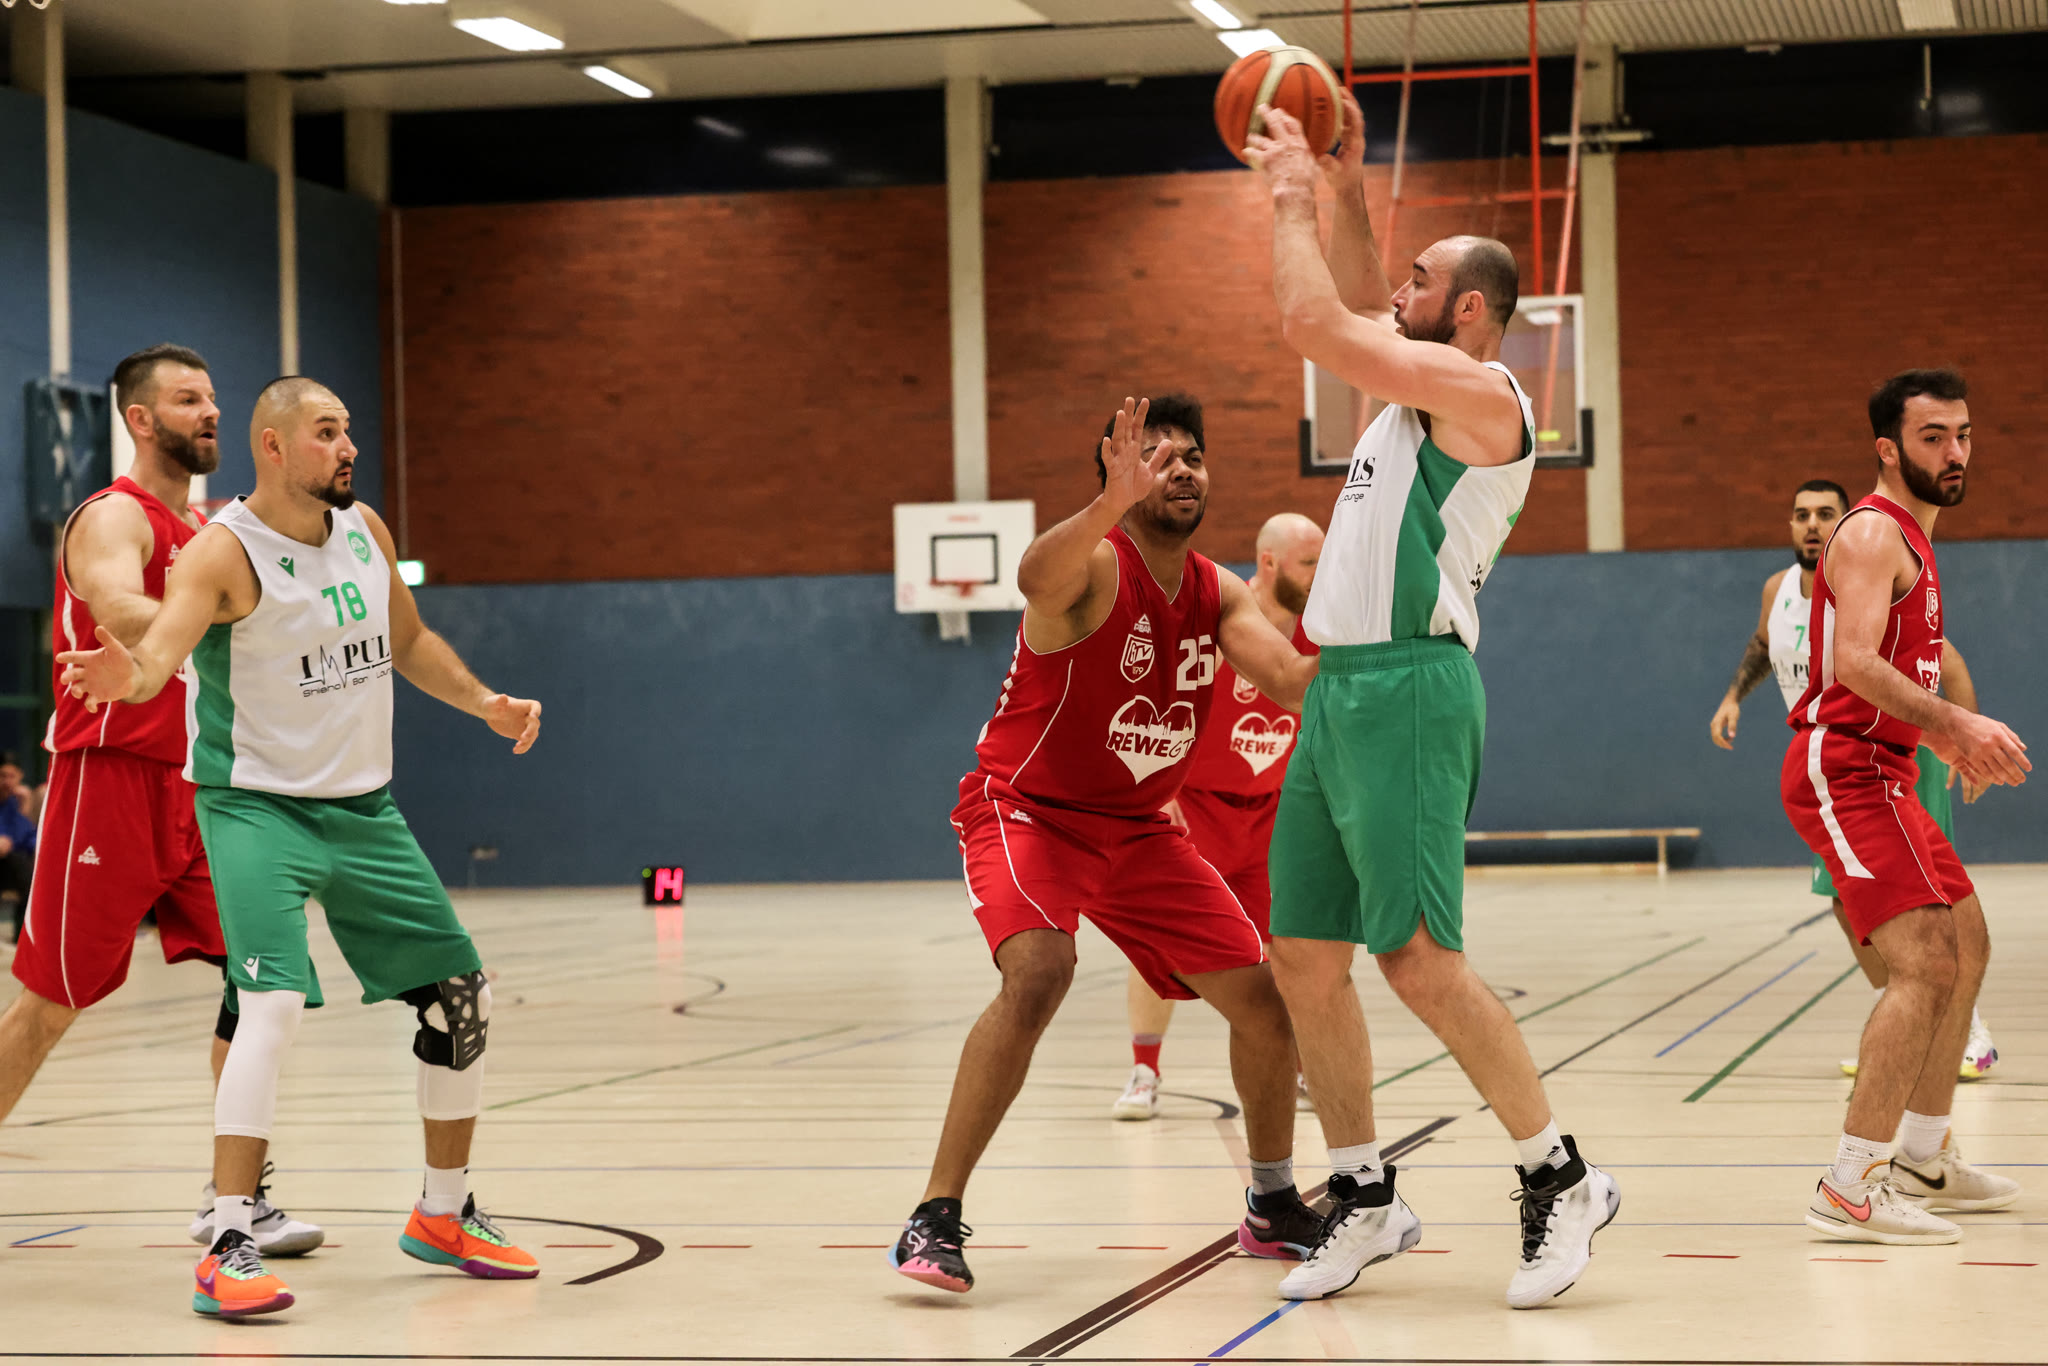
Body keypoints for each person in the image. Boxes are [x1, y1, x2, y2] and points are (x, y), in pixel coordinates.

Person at [59, 375, 545, 1317]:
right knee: (271, 1005)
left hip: (365, 811)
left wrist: (485, 702)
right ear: (274, 447)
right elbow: (159, 655)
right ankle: (228, 1240)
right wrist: (130, 676)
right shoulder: (224, 550)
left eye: (348, 430)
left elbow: (408, 640)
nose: (347, 446)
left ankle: (444, 1214)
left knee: (460, 999)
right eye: (327, 432)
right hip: (256, 809)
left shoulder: (366, 531)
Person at [1243, 95, 1617, 1308]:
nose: (1393, 289)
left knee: (1416, 961)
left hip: (1410, 684)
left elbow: (1314, 317)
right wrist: (1349, 186)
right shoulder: (1414, 385)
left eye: (1418, 279)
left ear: (1465, 311)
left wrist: (1291, 195)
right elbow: (1361, 300)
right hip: (1336, 686)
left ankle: (1560, 1174)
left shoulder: (1482, 398)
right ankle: (1362, 1196)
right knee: (1304, 957)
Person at [889, 393, 1322, 1293]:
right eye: (1160, 457)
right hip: (1030, 812)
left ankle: (1273, 1203)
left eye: (1194, 456)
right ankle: (933, 1214)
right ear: (1119, 475)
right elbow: (1031, 576)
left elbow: (1290, 679)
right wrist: (1106, 505)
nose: (1183, 469)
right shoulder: (1090, 566)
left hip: (1140, 828)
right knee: (1040, 972)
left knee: (1264, 1003)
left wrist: (1396, 639)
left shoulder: (1216, 588)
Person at [0, 345, 322, 1257]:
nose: (210, 412)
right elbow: (116, 605)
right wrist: (238, 619)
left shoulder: (218, 531)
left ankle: (235, 1199)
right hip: (110, 779)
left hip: (209, 789)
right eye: (188, 400)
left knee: (264, 984)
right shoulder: (114, 517)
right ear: (140, 419)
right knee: (51, 1005)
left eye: (213, 398)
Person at [1783, 368, 2027, 1246]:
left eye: (1963, 435)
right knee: (1923, 962)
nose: (1955, 452)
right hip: (1844, 768)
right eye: (1934, 437)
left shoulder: (1917, 538)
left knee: (1968, 943)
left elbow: (1901, 671)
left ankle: (1924, 1155)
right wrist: (1955, 721)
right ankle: (1849, 1184)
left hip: (1890, 767)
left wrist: (1940, 742)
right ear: (1888, 450)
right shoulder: (1870, 532)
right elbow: (1852, 663)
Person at [1709, 480, 1998, 1080]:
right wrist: (1733, 696)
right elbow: (1763, 644)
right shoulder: (1777, 590)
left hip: (1893, 753)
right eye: (1801, 514)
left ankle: (1969, 1034)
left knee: (1930, 902)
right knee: (1847, 901)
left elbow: (1948, 661)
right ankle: (1906, 1018)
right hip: (1831, 763)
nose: (1813, 525)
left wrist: (1962, 742)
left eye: (1826, 514)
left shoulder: (1864, 571)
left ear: (1847, 524)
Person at [1113, 512, 1322, 1121]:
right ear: (1269, 563)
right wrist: (1158, 790)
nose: (1321, 573)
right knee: (1162, 944)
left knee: (1288, 949)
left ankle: (1299, 1065)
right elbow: (1155, 700)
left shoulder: (1322, 630)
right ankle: (1144, 1070)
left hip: (1273, 813)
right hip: (1195, 807)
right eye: (1310, 562)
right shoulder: (1222, 617)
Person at [0, 755, 37, 944]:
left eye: (11, 776)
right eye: (2, 776)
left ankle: (23, 936)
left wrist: (25, 806)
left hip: (12, 861)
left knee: (25, 863)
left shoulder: (17, 800)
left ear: (20, 776)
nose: (7, 781)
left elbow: (27, 838)